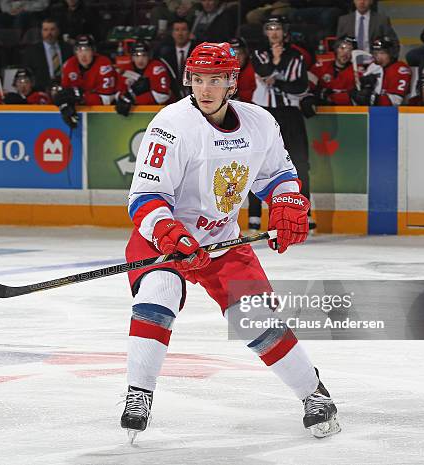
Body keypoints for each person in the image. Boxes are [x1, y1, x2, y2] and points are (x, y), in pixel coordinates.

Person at [120, 41, 340, 442]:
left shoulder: (259, 122)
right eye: (198, 80)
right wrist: (172, 236)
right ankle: (138, 393)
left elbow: (277, 175)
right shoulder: (171, 125)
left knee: (256, 321)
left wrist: (287, 202)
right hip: (164, 238)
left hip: (222, 240)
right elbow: (145, 198)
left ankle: (313, 392)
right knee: (159, 294)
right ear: (189, 79)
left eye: (216, 80)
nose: (205, 89)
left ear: (232, 83)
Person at [250, 16, 313, 231]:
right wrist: (277, 70)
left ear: (284, 31)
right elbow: (264, 71)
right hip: (264, 114)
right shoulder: (259, 52)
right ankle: (254, 215)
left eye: (277, 28)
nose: (274, 32)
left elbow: (300, 87)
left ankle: (305, 212)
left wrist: (276, 79)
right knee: (258, 162)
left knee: (300, 163)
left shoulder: (296, 55)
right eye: (270, 28)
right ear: (265, 32)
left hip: (290, 113)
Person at [115, 40, 172, 117]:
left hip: (161, 113)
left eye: (144, 55)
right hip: (134, 114)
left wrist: (134, 100)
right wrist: (125, 98)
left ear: (149, 56)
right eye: (137, 55)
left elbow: (163, 95)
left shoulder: (157, 68)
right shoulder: (125, 70)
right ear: (132, 57)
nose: (140, 59)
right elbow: (117, 93)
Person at [60, 34, 117, 105]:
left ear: (93, 51)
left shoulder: (104, 64)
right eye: (79, 50)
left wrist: (82, 97)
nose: (83, 55)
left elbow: (106, 99)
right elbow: (64, 93)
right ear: (75, 52)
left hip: (104, 110)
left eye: (87, 49)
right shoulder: (69, 64)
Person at [354, 36, 411, 106]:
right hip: (373, 110)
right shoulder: (372, 66)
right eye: (375, 53)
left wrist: (371, 97)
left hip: (396, 113)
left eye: (382, 53)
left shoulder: (401, 69)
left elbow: (396, 101)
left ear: (391, 54)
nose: (378, 56)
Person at [22, 18, 74, 92]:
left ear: (58, 31)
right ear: (41, 32)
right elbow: (28, 73)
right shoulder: (32, 51)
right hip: (42, 91)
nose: (49, 33)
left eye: (52, 29)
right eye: (45, 30)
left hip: (66, 89)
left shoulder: (68, 48)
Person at [155, 18, 197, 101]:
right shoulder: (165, 55)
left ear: (189, 33)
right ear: (172, 33)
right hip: (174, 100)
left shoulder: (198, 52)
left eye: (183, 30)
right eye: (177, 30)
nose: (180, 33)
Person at [309, 35, 358, 105]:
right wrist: (318, 93)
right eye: (342, 48)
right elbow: (306, 88)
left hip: (347, 111)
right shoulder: (320, 67)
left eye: (350, 50)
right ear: (336, 49)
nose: (345, 54)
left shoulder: (357, 72)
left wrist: (333, 97)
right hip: (322, 110)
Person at [229, 37, 256, 103]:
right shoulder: (222, 71)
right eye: (233, 54)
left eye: (240, 53)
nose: (236, 57)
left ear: (246, 54)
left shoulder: (255, 70)